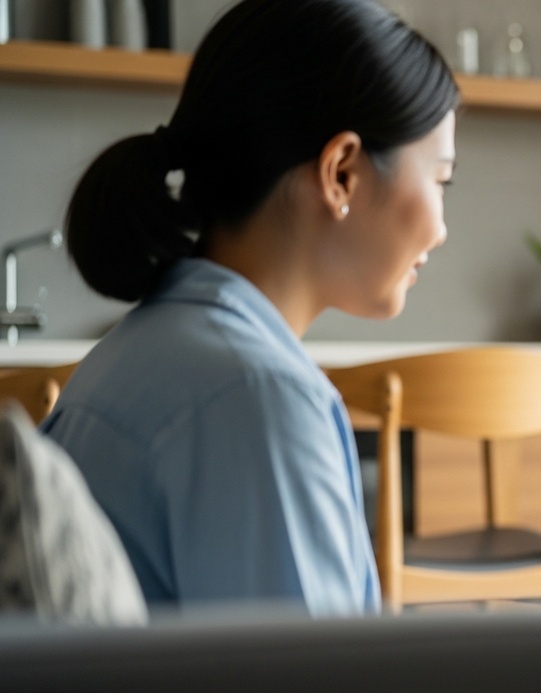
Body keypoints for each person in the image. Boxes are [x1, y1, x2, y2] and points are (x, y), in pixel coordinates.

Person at [42, 0, 460, 616]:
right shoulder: (255, 394)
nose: (443, 229)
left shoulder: (141, 350)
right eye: (441, 180)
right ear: (341, 172)